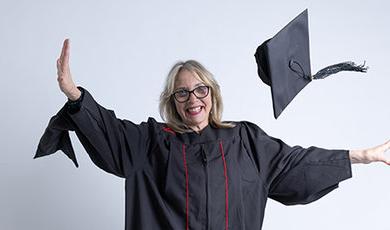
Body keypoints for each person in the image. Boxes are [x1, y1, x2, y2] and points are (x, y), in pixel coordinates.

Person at [36, 39, 390, 230]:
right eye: (183, 92)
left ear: (213, 94)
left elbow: (296, 163)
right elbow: (108, 132)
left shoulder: (246, 142)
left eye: (200, 90)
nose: (193, 99)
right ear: (172, 101)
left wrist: (361, 155)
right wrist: (75, 96)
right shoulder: (150, 143)